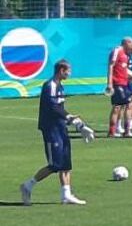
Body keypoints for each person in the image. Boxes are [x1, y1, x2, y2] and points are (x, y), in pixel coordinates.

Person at [20, 59, 95, 206]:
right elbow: (54, 108)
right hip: (51, 129)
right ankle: (28, 185)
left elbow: (61, 109)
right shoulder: (50, 86)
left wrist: (79, 124)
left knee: (66, 163)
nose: (70, 73)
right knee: (55, 165)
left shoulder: (60, 86)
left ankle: (66, 195)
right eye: (68, 71)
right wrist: (73, 120)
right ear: (61, 70)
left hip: (60, 127)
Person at [106, 36, 132, 138]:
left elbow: (124, 69)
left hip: (124, 83)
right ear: (126, 43)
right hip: (118, 83)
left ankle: (114, 131)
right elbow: (111, 65)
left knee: (119, 107)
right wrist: (109, 83)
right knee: (127, 105)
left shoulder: (125, 55)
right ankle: (126, 131)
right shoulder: (117, 51)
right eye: (131, 43)